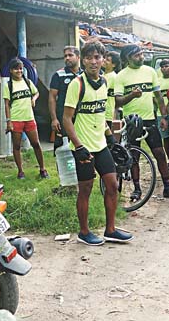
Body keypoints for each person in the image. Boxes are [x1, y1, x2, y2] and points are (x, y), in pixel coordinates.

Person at [63, 40, 132, 246]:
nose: (94, 61)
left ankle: (110, 230)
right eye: (89, 57)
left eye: (97, 57)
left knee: (112, 185)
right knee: (85, 189)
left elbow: (100, 114)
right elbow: (67, 118)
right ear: (83, 60)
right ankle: (84, 232)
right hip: (83, 147)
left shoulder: (104, 83)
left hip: (101, 145)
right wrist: (78, 146)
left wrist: (110, 137)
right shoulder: (77, 84)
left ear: (104, 60)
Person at [114, 44, 169, 200]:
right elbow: (117, 101)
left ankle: (167, 187)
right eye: (137, 55)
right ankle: (137, 189)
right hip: (131, 121)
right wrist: (132, 95)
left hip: (150, 119)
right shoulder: (121, 76)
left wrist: (164, 117)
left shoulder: (150, 71)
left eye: (141, 54)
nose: (141, 57)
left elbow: (159, 97)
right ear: (128, 58)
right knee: (134, 156)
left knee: (159, 153)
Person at [3, 58, 49, 179]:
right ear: (11, 70)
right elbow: (6, 104)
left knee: (36, 144)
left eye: (20, 68)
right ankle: (20, 171)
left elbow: (37, 92)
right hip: (16, 119)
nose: (19, 71)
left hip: (29, 118)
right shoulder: (8, 85)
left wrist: (33, 99)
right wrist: (9, 122)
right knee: (17, 146)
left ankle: (43, 169)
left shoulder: (27, 82)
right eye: (16, 69)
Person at [49, 46, 81, 152]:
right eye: (65, 56)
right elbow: (52, 97)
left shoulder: (84, 75)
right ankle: (63, 169)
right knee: (62, 149)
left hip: (81, 118)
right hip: (63, 118)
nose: (67, 58)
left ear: (78, 57)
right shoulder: (58, 75)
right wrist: (54, 119)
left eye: (70, 55)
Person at [157, 59, 169, 168]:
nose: (164, 68)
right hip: (161, 114)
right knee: (166, 138)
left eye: (166, 66)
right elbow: (155, 98)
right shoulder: (158, 81)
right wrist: (163, 108)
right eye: (162, 67)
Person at [104, 51, 121, 130]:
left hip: (107, 113)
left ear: (114, 65)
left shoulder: (112, 77)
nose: (104, 60)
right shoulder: (104, 75)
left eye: (107, 60)